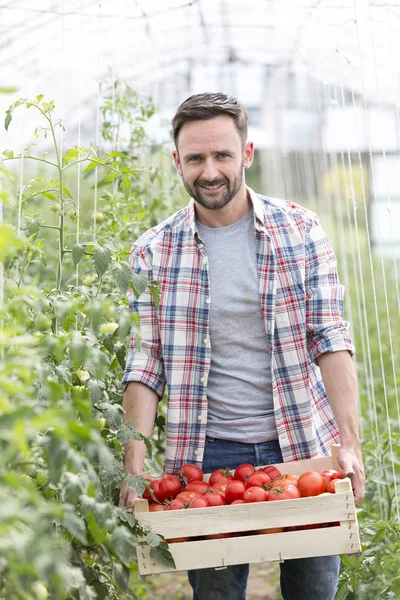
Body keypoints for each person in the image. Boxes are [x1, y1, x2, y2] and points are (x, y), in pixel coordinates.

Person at [119, 92, 365, 600]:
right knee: (215, 593)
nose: (210, 171)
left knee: (314, 588)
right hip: (205, 455)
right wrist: (134, 468)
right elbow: (146, 365)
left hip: (301, 442)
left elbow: (330, 336)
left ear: (246, 154)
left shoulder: (299, 230)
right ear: (177, 162)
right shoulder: (152, 252)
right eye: (196, 158)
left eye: (222, 155)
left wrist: (350, 442)